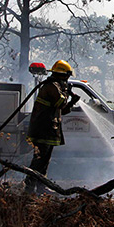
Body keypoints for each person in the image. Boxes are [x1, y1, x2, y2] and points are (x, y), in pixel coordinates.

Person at [24, 59, 80, 193]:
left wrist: (72, 101)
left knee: (44, 161)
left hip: (48, 128)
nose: (67, 79)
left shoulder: (57, 86)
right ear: (62, 74)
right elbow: (61, 103)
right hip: (42, 128)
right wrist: (67, 94)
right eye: (67, 76)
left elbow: (63, 110)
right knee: (39, 161)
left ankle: (41, 188)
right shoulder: (52, 86)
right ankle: (29, 187)